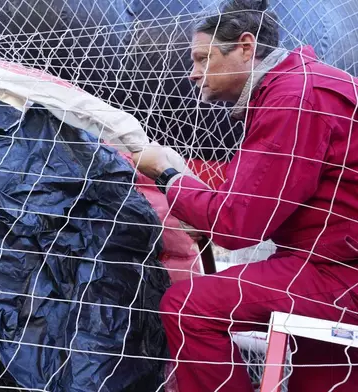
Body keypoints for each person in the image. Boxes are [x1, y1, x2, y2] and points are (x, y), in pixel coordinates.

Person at [132, 0, 358, 391]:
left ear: (245, 47)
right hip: (332, 262)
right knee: (325, 378)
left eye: (203, 58)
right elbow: (255, 198)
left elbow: (239, 225)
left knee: (188, 306)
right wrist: (204, 209)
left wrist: (168, 174)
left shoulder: (293, 99)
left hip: (336, 274)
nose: (194, 74)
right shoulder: (315, 83)